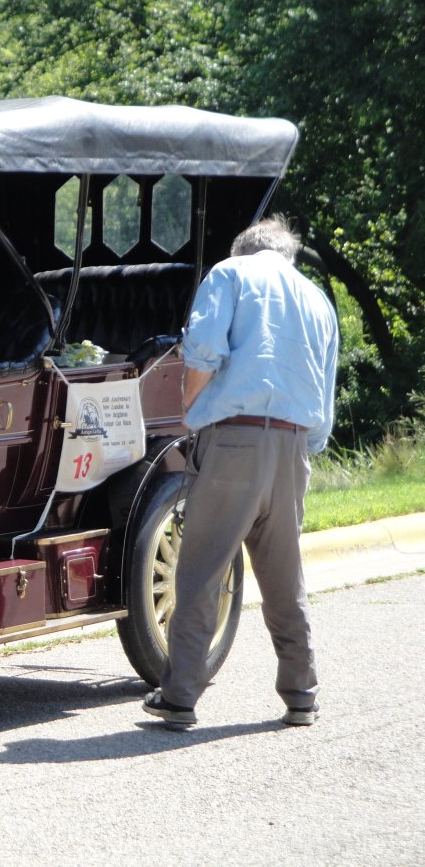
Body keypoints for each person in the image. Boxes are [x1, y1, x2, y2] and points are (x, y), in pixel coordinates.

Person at [142, 215, 338, 729]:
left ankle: (180, 697)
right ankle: (302, 694)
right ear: (286, 255)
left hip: (233, 438)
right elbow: (326, 389)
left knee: (202, 570)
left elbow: (205, 350)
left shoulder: (229, 274)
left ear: (244, 247)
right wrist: (303, 449)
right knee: (284, 576)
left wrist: (190, 406)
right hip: (292, 445)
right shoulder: (317, 300)